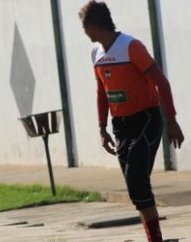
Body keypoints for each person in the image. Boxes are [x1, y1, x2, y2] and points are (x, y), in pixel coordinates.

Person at [79, 1, 184, 241]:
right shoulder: (96, 53)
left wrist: (171, 120)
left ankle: (154, 238)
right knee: (136, 188)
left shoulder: (131, 46)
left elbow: (161, 82)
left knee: (137, 181)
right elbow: (101, 91)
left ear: (93, 26)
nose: (84, 33)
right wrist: (101, 126)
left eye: (84, 27)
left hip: (146, 120)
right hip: (120, 126)